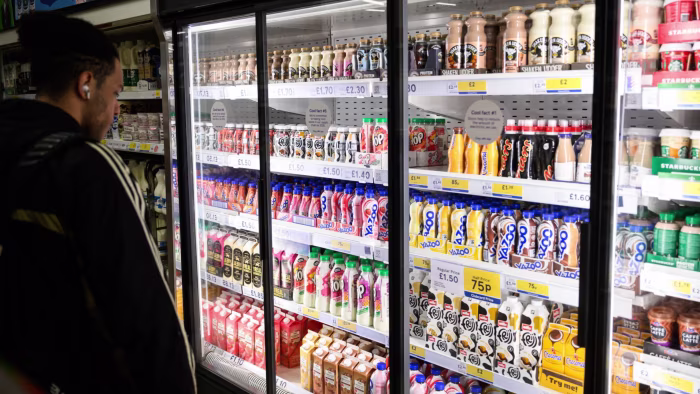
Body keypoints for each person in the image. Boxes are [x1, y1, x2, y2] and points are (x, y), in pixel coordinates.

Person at [0, 13, 196, 394]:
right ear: (87, 84)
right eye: (117, 93)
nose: (117, 108)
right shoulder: (89, 167)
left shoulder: (10, 144)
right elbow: (147, 319)